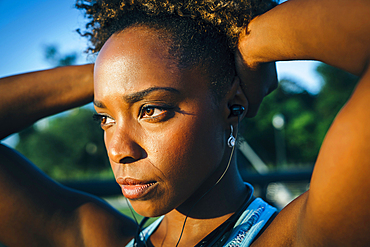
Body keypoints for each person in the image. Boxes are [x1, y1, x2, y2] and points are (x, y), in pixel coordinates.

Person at [0, 0, 369, 246]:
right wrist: (112, 68)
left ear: (233, 105)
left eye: (152, 109)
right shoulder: (96, 236)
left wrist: (249, 44)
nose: (118, 150)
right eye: (106, 118)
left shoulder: (302, 235)